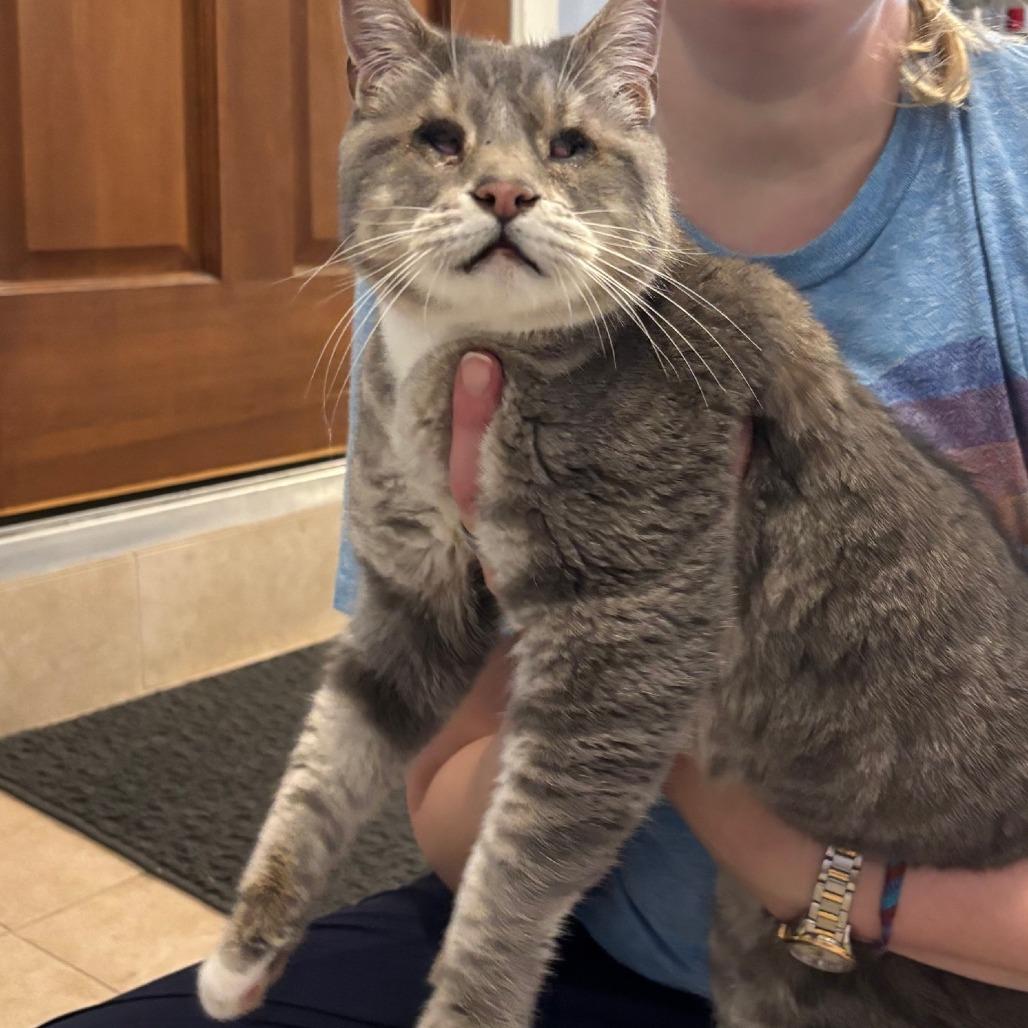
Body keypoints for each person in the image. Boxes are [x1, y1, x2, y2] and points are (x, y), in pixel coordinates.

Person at [48, 2, 1028, 1025]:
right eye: (442, 142)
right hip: (599, 938)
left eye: (561, 148)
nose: (504, 185)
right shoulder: (447, 270)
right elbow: (438, 769)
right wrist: (613, 678)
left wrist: (809, 877)